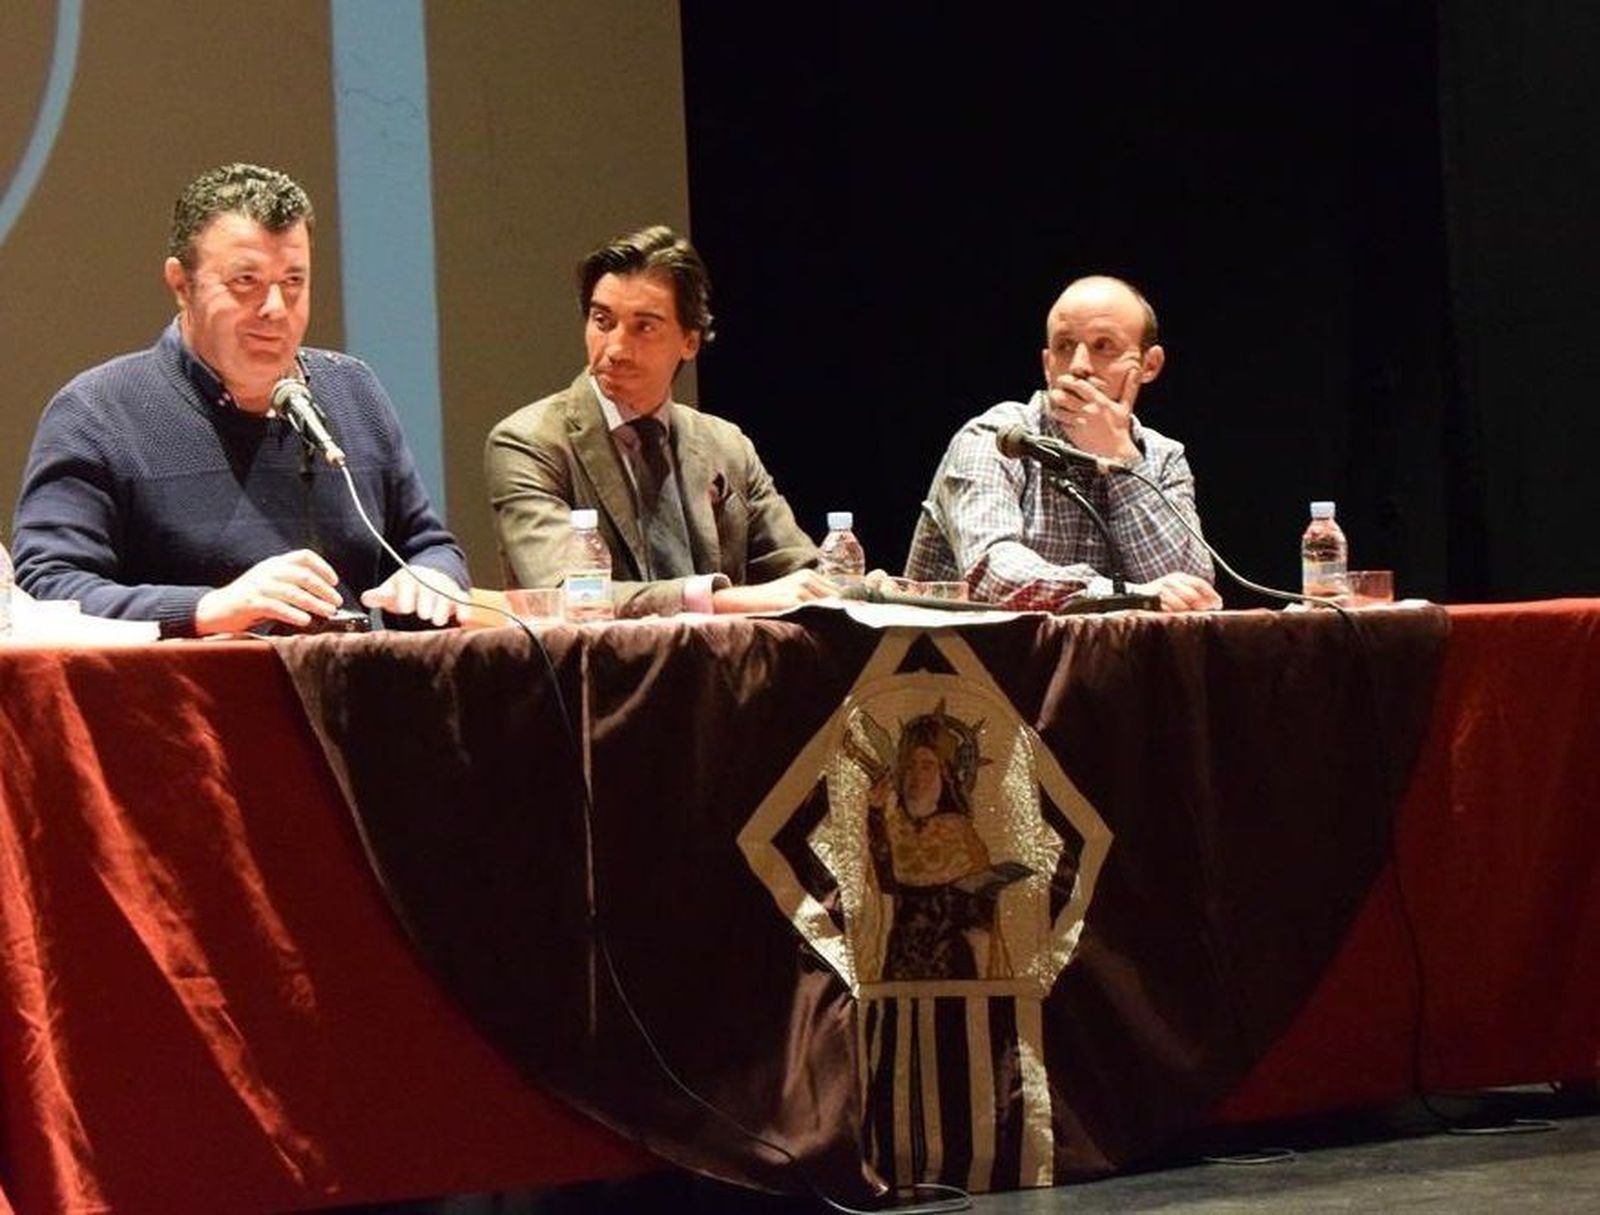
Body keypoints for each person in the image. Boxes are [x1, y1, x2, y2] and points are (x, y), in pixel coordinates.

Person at [11, 163, 467, 637]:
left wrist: (431, 578)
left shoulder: (352, 390)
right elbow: (50, 590)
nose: (274, 309)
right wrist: (208, 609)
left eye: (293, 282)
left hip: (351, 698)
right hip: (185, 703)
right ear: (181, 284)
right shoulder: (97, 412)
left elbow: (427, 545)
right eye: (245, 282)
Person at [485, 225, 829, 617]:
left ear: (690, 341)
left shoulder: (727, 444)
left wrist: (862, 590)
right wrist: (716, 601)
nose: (614, 348)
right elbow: (567, 595)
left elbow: (799, 570)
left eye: (643, 327)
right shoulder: (528, 442)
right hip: (593, 674)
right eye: (602, 321)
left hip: (726, 673)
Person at [904, 274, 1221, 613]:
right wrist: (1127, 596)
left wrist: (1121, 460)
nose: (1079, 366)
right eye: (1064, 346)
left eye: (1103, 346)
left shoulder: (1163, 458)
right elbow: (992, 573)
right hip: (977, 661)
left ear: (1149, 365)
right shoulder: (996, 437)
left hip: (1108, 662)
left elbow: (1192, 593)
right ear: (1046, 364)